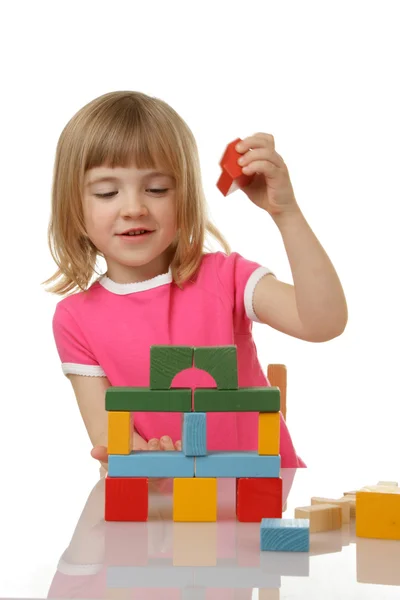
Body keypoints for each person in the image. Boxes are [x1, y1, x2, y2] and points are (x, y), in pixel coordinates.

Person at [43, 90, 348, 473]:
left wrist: (285, 213)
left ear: (185, 196)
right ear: (74, 206)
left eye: (157, 189)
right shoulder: (74, 319)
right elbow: (108, 435)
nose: (134, 207)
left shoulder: (226, 278)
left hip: (262, 496)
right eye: (107, 192)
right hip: (169, 511)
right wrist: (142, 462)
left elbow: (324, 323)